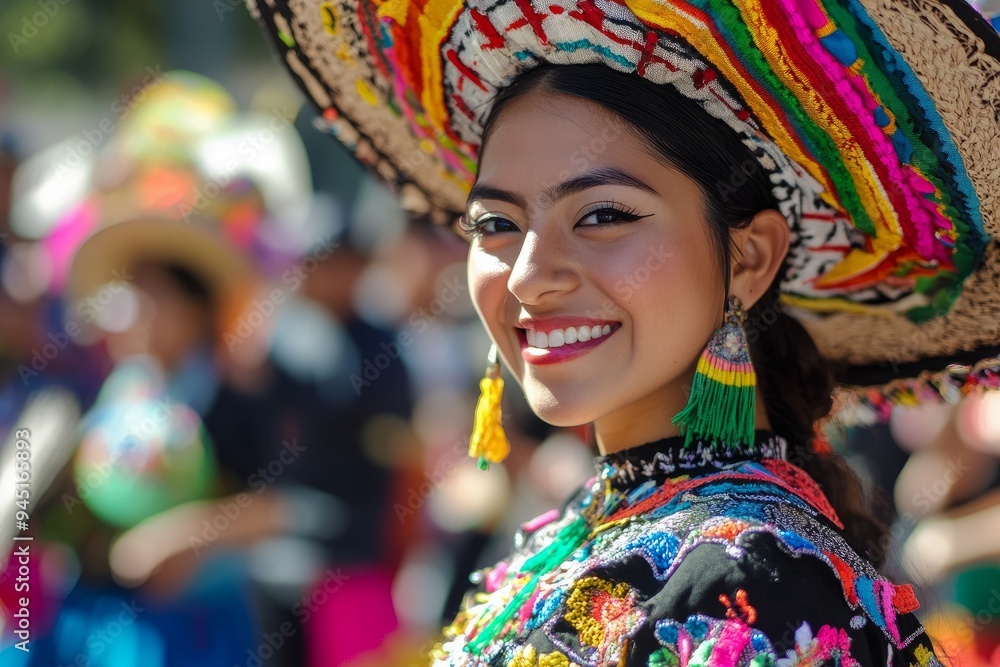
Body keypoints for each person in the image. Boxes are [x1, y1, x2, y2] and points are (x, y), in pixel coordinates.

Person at [247, 0, 1000, 665]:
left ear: (748, 256)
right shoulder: (601, 524)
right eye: (498, 224)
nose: (527, 275)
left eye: (603, 214)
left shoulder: (743, 588)